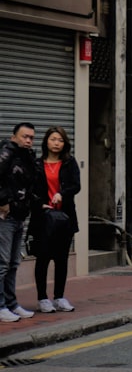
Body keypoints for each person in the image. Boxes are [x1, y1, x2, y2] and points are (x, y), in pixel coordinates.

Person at [29, 126, 80, 313]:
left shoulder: (69, 162)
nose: (56, 143)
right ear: (46, 142)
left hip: (64, 218)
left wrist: (62, 194)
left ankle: (59, 297)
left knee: (61, 259)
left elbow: (76, 186)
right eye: (53, 139)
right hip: (43, 219)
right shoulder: (37, 164)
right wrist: (39, 203)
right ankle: (42, 298)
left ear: (64, 143)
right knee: (42, 259)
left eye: (60, 140)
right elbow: (30, 190)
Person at [0, 122, 40, 323]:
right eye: (25, 136)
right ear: (14, 136)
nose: (28, 141)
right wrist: (3, 202)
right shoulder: (6, 153)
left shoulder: (27, 157)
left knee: (14, 263)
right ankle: (0, 306)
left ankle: (11, 303)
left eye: (31, 137)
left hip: (20, 215)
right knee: (2, 263)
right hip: (5, 217)